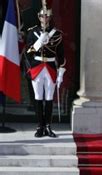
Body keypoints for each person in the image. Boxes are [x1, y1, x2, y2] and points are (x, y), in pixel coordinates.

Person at [26, 5, 65, 138]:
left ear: (50, 17)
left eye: (47, 15)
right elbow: (28, 51)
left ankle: (48, 126)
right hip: (37, 67)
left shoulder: (57, 33)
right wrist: (38, 43)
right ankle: (39, 126)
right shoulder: (32, 32)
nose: (45, 18)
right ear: (38, 17)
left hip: (50, 66)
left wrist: (61, 72)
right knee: (38, 98)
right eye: (42, 15)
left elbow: (61, 56)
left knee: (48, 99)